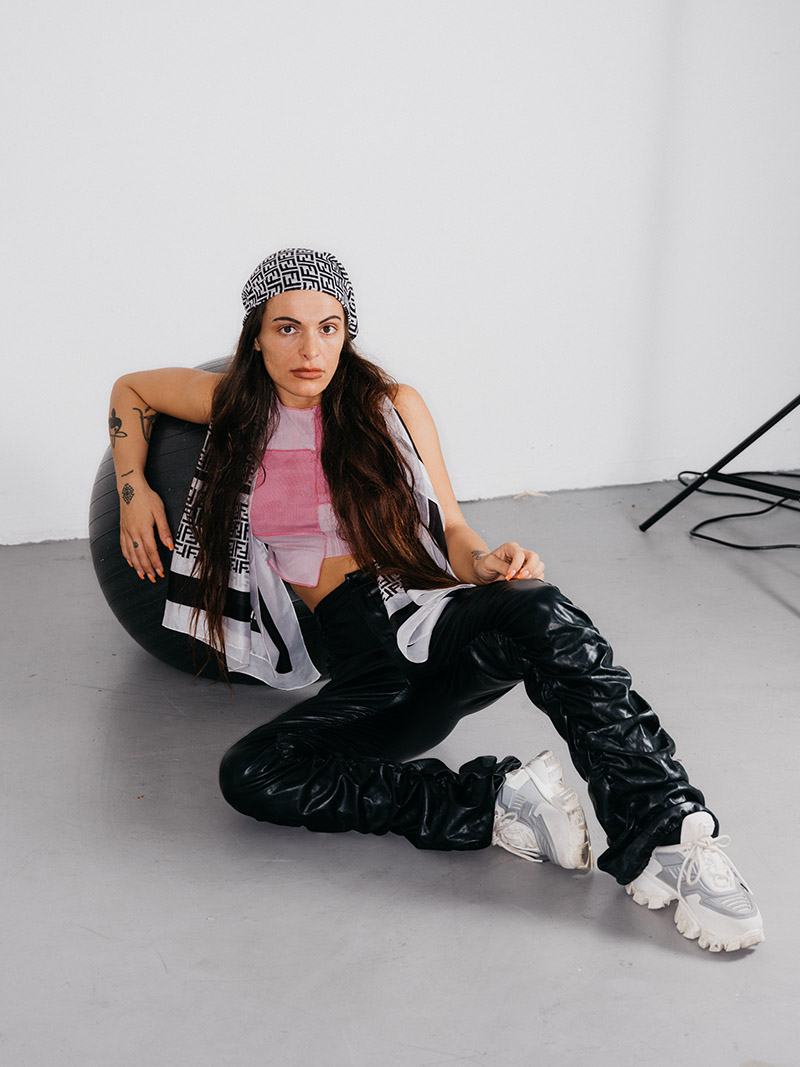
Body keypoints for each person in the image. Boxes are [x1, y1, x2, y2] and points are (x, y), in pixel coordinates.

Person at [108, 247, 763, 953]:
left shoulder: (389, 405)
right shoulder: (230, 404)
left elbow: (449, 524)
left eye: (329, 327)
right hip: (369, 673)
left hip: (437, 622)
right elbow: (130, 390)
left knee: (539, 605)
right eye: (288, 328)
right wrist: (133, 489)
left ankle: (669, 836)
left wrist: (486, 560)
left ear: (347, 332)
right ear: (256, 335)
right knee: (250, 773)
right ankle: (499, 800)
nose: (310, 348)